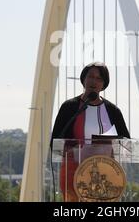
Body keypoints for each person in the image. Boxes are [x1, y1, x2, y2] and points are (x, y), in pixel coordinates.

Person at [50, 62, 130, 202]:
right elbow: (55, 142)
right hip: (73, 172)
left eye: (99, 78)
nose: (94, 81)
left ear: (104, 83)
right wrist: (75, 149)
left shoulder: (112, 111)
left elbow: (127, 144)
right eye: (91, 76)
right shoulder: (69, 107)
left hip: (105, 173)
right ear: (84, 79)